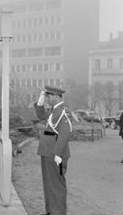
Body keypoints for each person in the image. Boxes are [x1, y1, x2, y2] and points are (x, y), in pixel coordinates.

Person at [34, 85, 73, 215]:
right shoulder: (55, 110)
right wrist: (39, 104)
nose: (47, 99)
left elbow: (65, 133)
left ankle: (58, 212)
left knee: (56, 185)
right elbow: (41, 117)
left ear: (56, 96)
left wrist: (57, 153)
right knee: (49, 184)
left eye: (48, 97)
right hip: (47, 152)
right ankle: (51, 211)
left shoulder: (63, 111)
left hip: (55, 154)